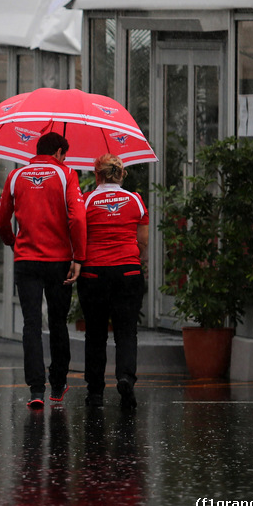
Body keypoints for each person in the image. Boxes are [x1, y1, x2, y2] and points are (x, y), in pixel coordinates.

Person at [0, 131, 86, 408]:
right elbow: (78, 218)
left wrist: (13, 242)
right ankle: (57, 385)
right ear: (59, 152)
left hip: (26, 262)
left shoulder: (15, 177)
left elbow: (0, 220)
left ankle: (36, 390)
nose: (65, 159)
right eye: (65, 154)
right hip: (58, 262)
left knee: (31, 324)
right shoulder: (66, 174)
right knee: (58, 323)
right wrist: (78, 257)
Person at [77, 153, 149, 409]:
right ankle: (126, 377)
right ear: (121, 174)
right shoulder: (136, 201)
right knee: (126, 332)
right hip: (128, 272)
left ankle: (95, 393)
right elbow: (142, 242)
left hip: (94, 273)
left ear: (97, 175)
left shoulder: (86, 201)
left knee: (95, 334)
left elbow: (78, 236)